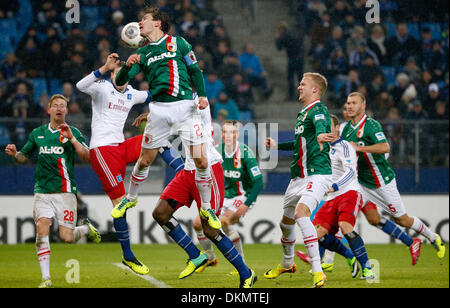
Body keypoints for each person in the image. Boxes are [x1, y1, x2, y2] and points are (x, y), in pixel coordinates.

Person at [76, 53, 184, 275]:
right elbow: (80, 85)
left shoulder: (131, 94)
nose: (123, 76)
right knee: (120, 206)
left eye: (127, 73)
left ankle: (183, 172)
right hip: (103, 152)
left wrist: (174, 77)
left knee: (156, 137)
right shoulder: (102, 87)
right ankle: (128, 256)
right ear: (113, 73)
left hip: (121, 146)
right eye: (118, 72)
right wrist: (104, 68)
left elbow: (157, 95)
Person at [114, 6, 221, 230]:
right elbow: (121, 82)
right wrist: (127, 66)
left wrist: (201, 95)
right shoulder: (141, 53)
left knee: (201, 161)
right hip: (159, 111)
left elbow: (195, 70)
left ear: (157, 23)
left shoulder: (178, 43)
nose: (140, 22)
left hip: (184, 108)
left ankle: (207, 207)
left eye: (144, 19)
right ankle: (130, 198)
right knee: (144, 161)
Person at [134, 101, 257, 288]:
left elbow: (178, 115)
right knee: (160, 213)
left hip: (208, 167)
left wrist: (154, 116)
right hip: (188, 170)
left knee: (210, 229)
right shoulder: (180, 98)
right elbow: (174, 115)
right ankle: (195, 255)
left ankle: (246, 273)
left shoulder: (198, 98)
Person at [4, 94, 101, 288]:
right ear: (49, 110)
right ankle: (46, 279)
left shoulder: (73, 132)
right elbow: (24, 157)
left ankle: (84, 229)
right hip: (42, 192)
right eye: (55, 105)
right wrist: (16, 154)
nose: (58, 108)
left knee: (66, 238)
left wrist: (72, 138)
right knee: (42, 228)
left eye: (62, 106)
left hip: (65, 193)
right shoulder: (38, 134)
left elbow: (87, 157)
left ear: (66, 110)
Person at [342, 92, 446, 264]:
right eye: (348, 103)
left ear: (363, 106)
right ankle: (330, 260)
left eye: (354, 103)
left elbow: (385, 147)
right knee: (343, 215)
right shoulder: (346, 129)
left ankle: (433, 237)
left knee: (402, 219)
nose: (350, 106)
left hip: (382, 182)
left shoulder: (371, 125)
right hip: (360, 184)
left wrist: (361, 148)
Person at [264, 72, 334, 288]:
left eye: (303, 84)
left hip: (318, 173)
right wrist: (277, 146)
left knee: (301, 213)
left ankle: (318, 270)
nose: (298, 87)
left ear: (315, 89)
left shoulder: (319, 110)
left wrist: (322, 134)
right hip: (298, 178)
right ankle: (287, 263)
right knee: (285, 223)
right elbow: (299, 142)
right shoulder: (303, 113)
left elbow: (321, 127)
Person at [296, 115, 375, 280]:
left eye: (329, 126)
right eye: (323, 127)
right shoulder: (320, 146)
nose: (325, 130)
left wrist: (335, 186)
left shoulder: (345, 146)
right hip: (330, 197)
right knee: (316, 234)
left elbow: (351, 171)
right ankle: (349, 256)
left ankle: (367, 268)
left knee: (345, 226)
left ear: (337, 128)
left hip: (349, 192)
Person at [193, 120, 264, 273]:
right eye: (225, 132)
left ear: (237, 135)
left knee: (224, 221)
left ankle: (242, 264)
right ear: (222, 134)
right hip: (223, 196)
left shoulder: (246, 153)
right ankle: (210, 258)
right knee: (198, 224)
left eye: (232, 132)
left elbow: (258, 182)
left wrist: (247, 204)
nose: (228, 135)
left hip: (242, 195)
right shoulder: (216, 151)